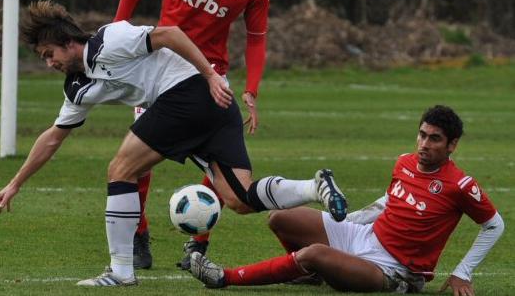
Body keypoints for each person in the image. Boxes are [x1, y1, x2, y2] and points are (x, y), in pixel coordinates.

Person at [0, 0, 347, 287]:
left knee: (121, 169)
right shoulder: (79, 87)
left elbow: (170, 33)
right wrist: (15, 183)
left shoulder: (110, 40)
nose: (49, 63)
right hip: (211, 105)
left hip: (191, 92)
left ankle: (121, 270)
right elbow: (53, 137)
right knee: (239, 198)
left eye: (50, 54)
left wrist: (208, 75)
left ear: (68, 42)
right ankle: (315, 187)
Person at [190, 105, 504, 295]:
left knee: (314, 253)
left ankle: (224, 278)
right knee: (280, 218)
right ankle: (312, 275)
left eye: (434, 139)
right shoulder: (404, 162)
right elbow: (387, 202)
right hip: (364, 237)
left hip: (394, 271)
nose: (424, 144)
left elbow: (494, 225)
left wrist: (463, 270)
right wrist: (347, 223)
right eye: (422, 134)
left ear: (453, 145)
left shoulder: (460, 185)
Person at [114, 0, 271, 270]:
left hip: (210, 77)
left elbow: (256, 38)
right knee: (136, 163)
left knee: (221, 164)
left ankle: (198, 244)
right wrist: (118, 27)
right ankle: (137, 235)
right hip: (161, 71)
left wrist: (251, 88)